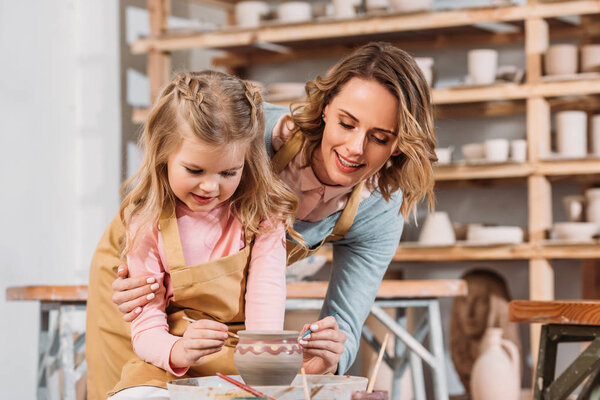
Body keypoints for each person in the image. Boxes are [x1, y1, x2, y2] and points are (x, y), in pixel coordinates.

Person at [88, 41, 437, 399]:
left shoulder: (378, 209)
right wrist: (140, 282)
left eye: (380, 138)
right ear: (326, 107)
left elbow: (343, 322)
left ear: (399, 144)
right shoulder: (251, 127)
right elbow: (175, 150)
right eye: (346, 124)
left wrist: (325, 358)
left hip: (228, 312)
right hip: (142, 276)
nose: (355, 148)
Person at [98, 70, 304, 398]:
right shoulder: (146, 222)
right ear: (163, 155)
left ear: (246, 163)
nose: (210, 186)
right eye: (195, 170)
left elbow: (265, 314)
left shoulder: (262, 219)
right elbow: (147, 326)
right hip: (165, 362)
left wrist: (269, 375)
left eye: (228, 172)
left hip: (239, 358)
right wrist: (179, 351)